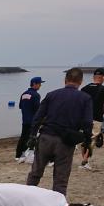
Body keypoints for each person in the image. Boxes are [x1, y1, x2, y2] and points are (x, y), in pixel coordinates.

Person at [26, 68, 93, 196]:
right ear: (81, 81)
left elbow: (38, 117)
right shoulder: (85, 98)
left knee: (35, 173)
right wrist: (87, 141)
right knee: (60, 179)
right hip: (66, 142)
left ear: (65, 80)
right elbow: (87, 123)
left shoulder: (51, 94)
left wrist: (32, 135)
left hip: (45, 137)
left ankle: (25, 198)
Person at [80, 68, 104, 170]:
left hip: (83, 118)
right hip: (96, 118)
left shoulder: (84, 89)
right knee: (92, 140)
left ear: (94, 77)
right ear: (102, 78)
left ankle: (84, 160)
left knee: (84, 139)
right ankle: (84, 162)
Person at [15, 77, 44, 162]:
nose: (40, 85)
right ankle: (26, 155)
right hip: (33, 120)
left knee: (23, 137)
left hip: (25, 119)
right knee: (31, 138)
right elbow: (38, 109)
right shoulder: (36, 95)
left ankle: (18, 154)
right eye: (39, 84)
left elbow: (20, 106)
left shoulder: (24, 94)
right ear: (34, 84)